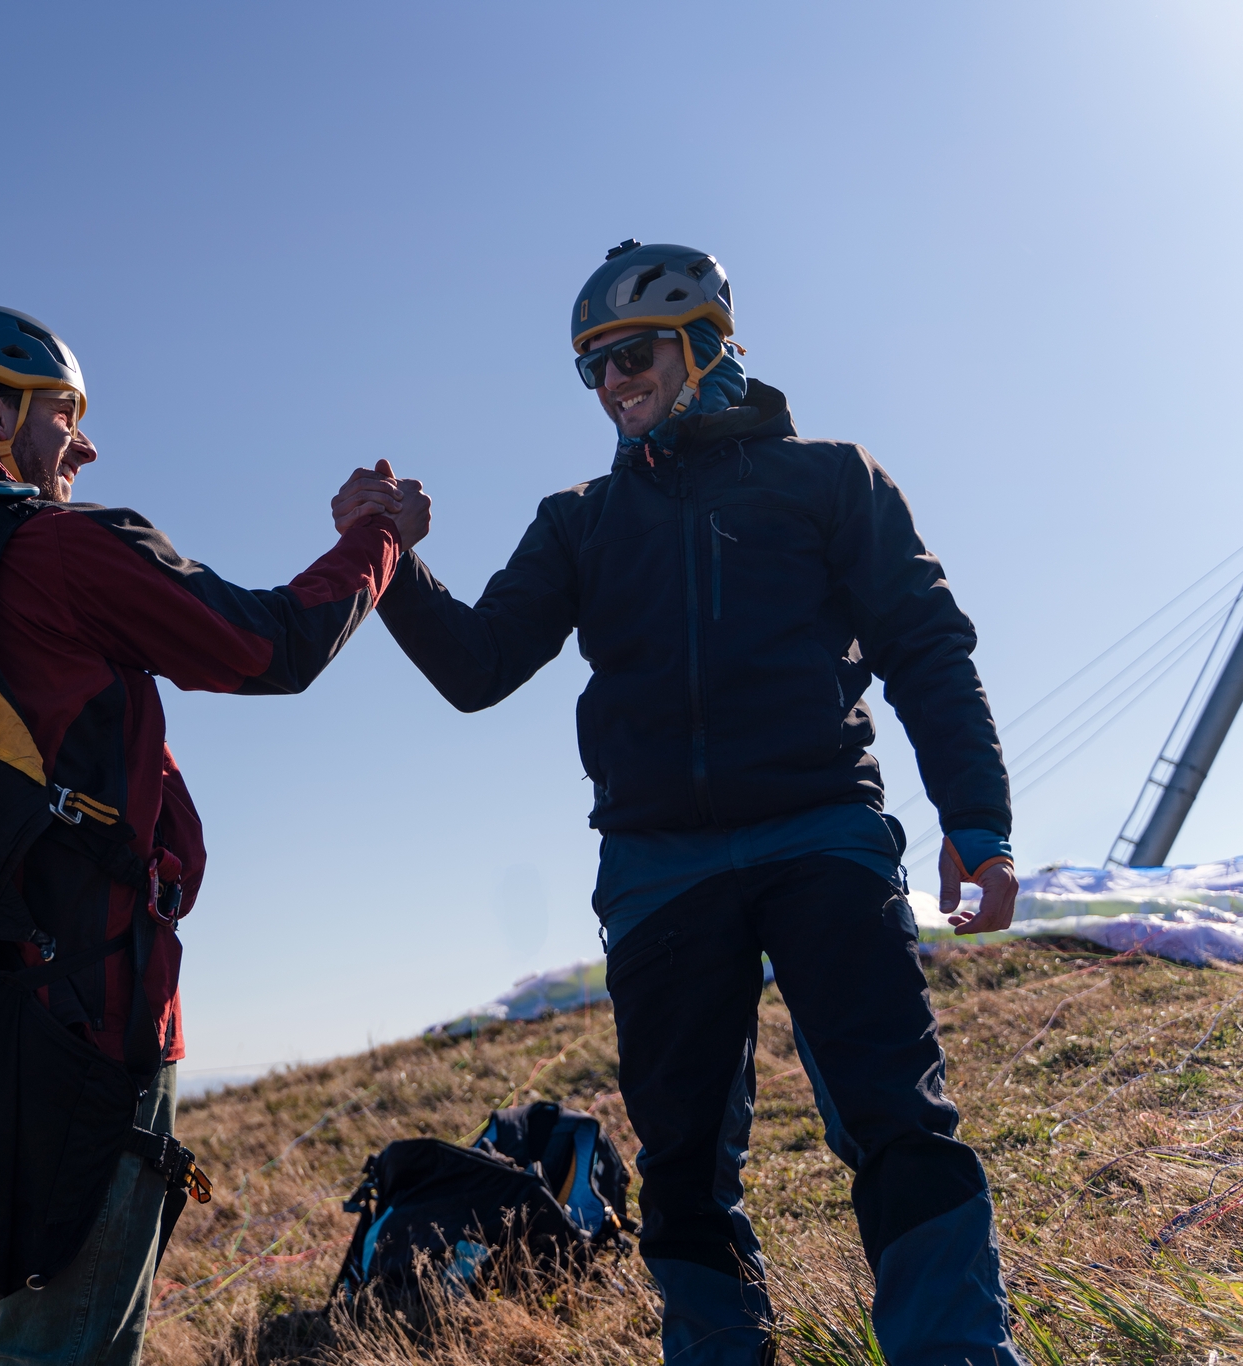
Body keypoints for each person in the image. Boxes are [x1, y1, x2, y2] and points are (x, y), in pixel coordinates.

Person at [346, 243, 1024, 1365]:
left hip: (823, 832)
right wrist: (384, 556)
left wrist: (977, 819)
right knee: (680, 1165)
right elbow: (477, 666)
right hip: (658, 865)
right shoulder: (577, 521)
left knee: (895, 1118)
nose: (614, 385)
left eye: (633, 355)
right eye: (593, 370)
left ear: (706, 343)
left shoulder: (828, 479)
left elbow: (926, 648)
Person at [0, 305, 411, 1366]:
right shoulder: (54, 552)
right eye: (65, 412)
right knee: (70, 1339)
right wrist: (376, 536)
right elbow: (271, 643)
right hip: (94, 1014)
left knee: (51, 1314)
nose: (85, 442)